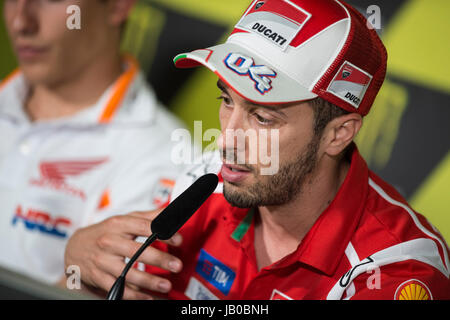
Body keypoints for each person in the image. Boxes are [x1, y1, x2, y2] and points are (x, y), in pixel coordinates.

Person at [65, 0, 450, 300]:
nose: (227, 141)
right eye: (228, 101)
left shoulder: (399, 267)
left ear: (339, 134)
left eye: (263, 118)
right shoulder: (202, 184)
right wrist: (76, 272)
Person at [0, 0, 185, 287]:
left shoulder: (168, 155)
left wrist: (82, 279)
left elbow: (109, 288)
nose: (21, 22)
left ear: (117, 6)